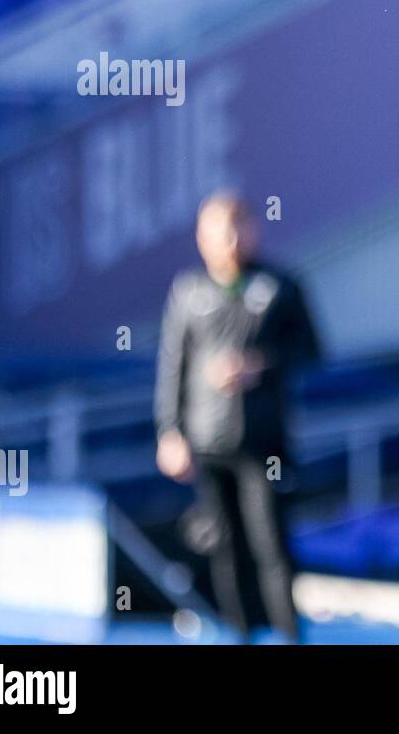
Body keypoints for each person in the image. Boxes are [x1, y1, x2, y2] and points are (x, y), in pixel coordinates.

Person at [154, 191, 322, 643]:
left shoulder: (278, 286)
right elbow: (173, 365)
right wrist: (170, 432)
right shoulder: (189, 292)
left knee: (272, 546)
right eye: (217, 230)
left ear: (252, 230)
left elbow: (311, 350)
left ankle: (289, 635)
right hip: (210, 443)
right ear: (201, 237)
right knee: (226, 547)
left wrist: (259, 362)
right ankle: (241, 635)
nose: (228, 240)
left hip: (265, 443)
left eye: (237, 227)